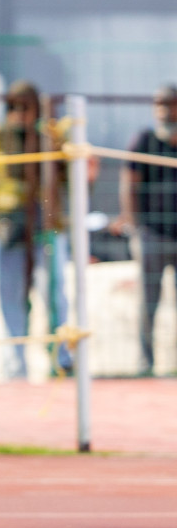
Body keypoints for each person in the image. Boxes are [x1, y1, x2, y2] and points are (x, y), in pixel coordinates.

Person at [0, 81, 74, 378]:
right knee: (9, 295)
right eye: (13, 106)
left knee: (54, 293)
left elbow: (72, 174)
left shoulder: (51, 136)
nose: (19, 113)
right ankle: (15, 365)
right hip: (6, 223)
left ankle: (61, 359)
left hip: (47, 221)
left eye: (26, 107)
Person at [111, 84, 177, 375]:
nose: (165, 110)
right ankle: (146, 363)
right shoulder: (144, 140)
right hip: (152, 233)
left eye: (170, 104)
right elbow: (129, 184)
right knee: (149, 304)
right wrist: (135, 225)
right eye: (160, 104)